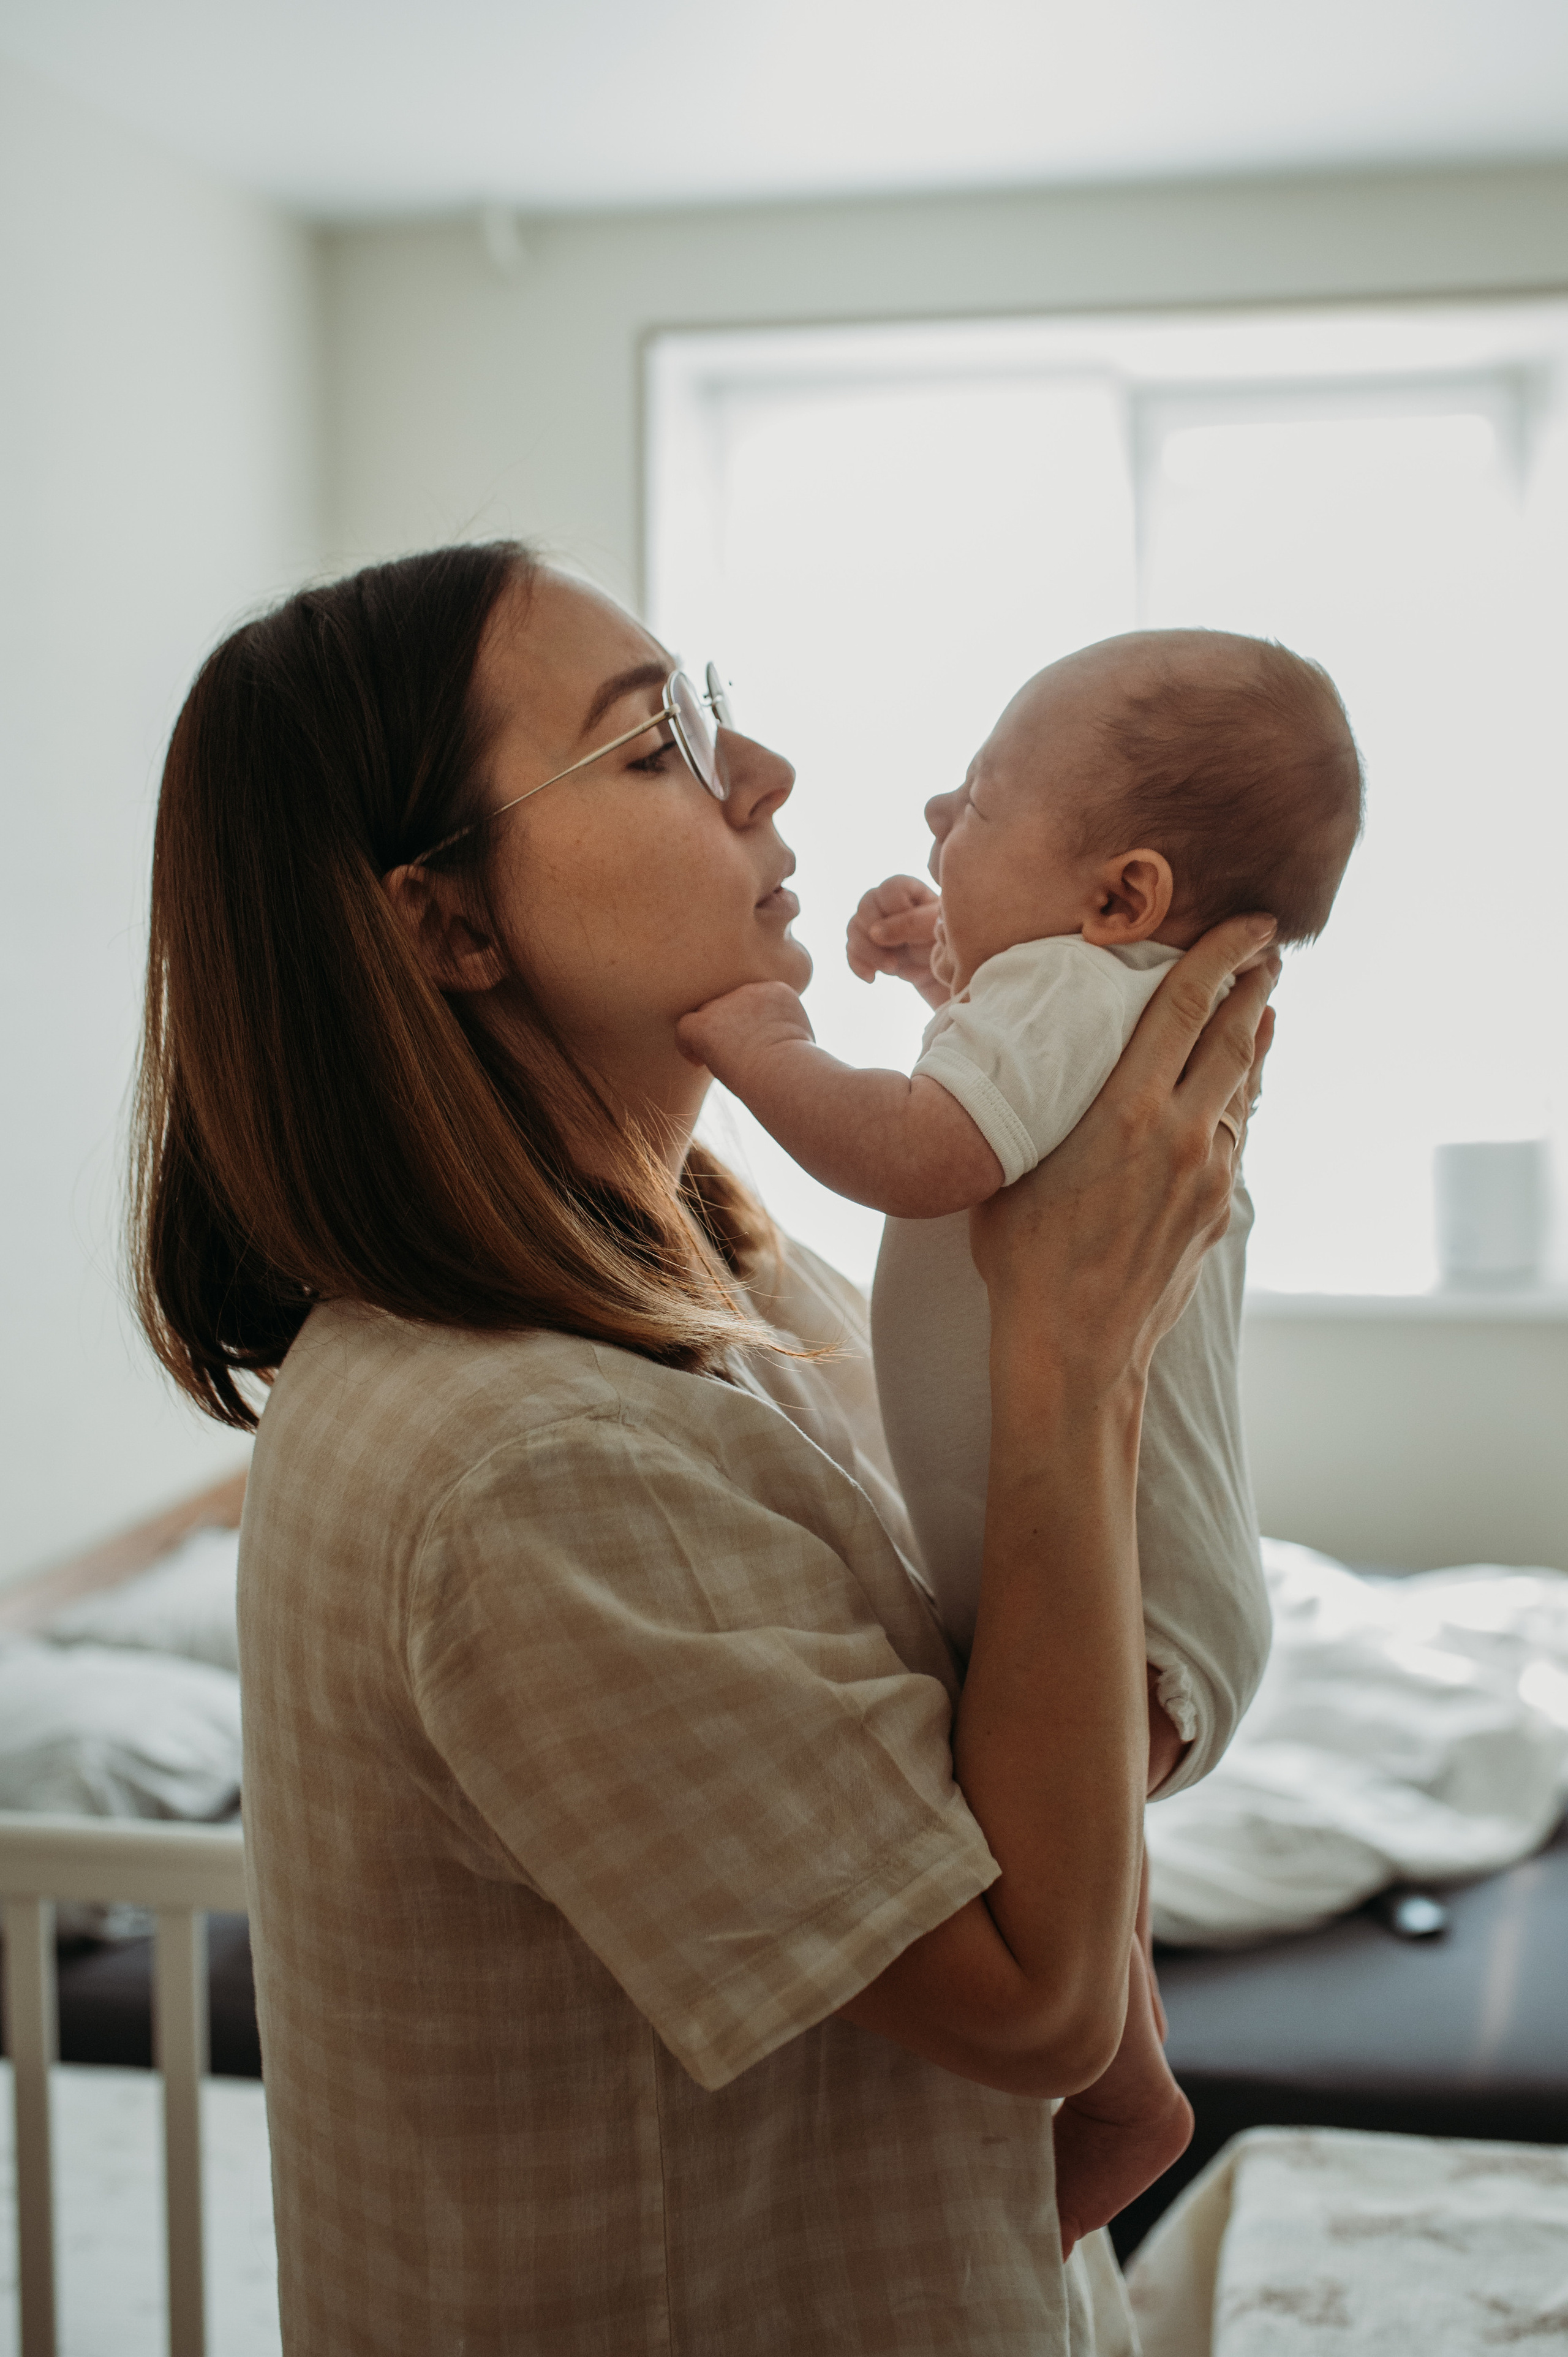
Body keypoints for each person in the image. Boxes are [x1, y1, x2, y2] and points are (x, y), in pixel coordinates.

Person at [130, 543, 1275, 2354]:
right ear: (448, 923)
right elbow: (1039, 2007)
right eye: (655, 746)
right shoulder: (524, 1468)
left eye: (708, 710)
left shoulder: (736, 1261)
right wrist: (1085, 1353)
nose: (764, 778)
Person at [679, 629, 1360, 2247]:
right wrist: (947, 980)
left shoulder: (1071, 990)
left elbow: (928, 1152)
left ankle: (1124, 2097)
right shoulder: (1091, 997)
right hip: (1142, 1575)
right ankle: (1134, 2089)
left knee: (1029, 1866)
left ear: (1120, 901)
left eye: (980, 798)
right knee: (1062, 1847)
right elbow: (1010, 1109)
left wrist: (754, 1040)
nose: (934, 813)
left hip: (1126, 1582)